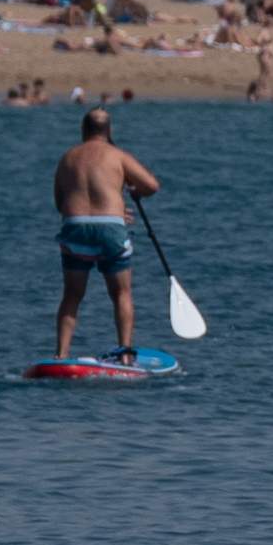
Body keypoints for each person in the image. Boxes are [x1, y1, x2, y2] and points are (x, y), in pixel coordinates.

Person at [51, 107, 163, 363]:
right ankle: (125, 355)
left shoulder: (67, 158)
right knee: (121, 294)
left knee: (72, 295)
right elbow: (152, 186)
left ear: (83, 130)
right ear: (108, 131)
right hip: (110, 228)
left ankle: (61, 354)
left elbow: (60, 203)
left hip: (75, 227)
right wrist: (128, 196)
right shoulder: (117, 155)